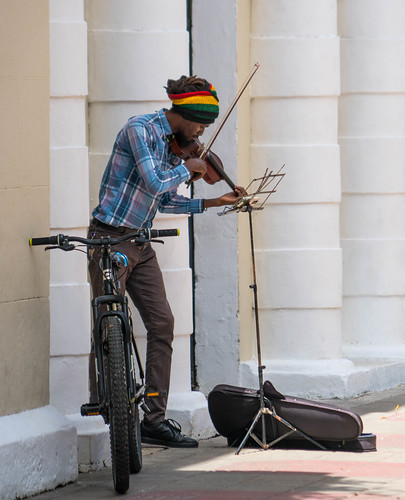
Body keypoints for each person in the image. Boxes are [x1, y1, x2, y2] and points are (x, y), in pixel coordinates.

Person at [88, 75, 245, 448]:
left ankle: (154, 418)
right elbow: (156, 182)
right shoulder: (139, 130)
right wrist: (187, 168)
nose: (201, 134)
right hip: (110, 237)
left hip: (140, 243)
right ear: (187, 115)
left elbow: (164, 201)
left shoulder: (177, 148)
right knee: (108, 319)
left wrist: (211, 202)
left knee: (163, 323)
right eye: (200, 125)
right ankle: (106, 403)